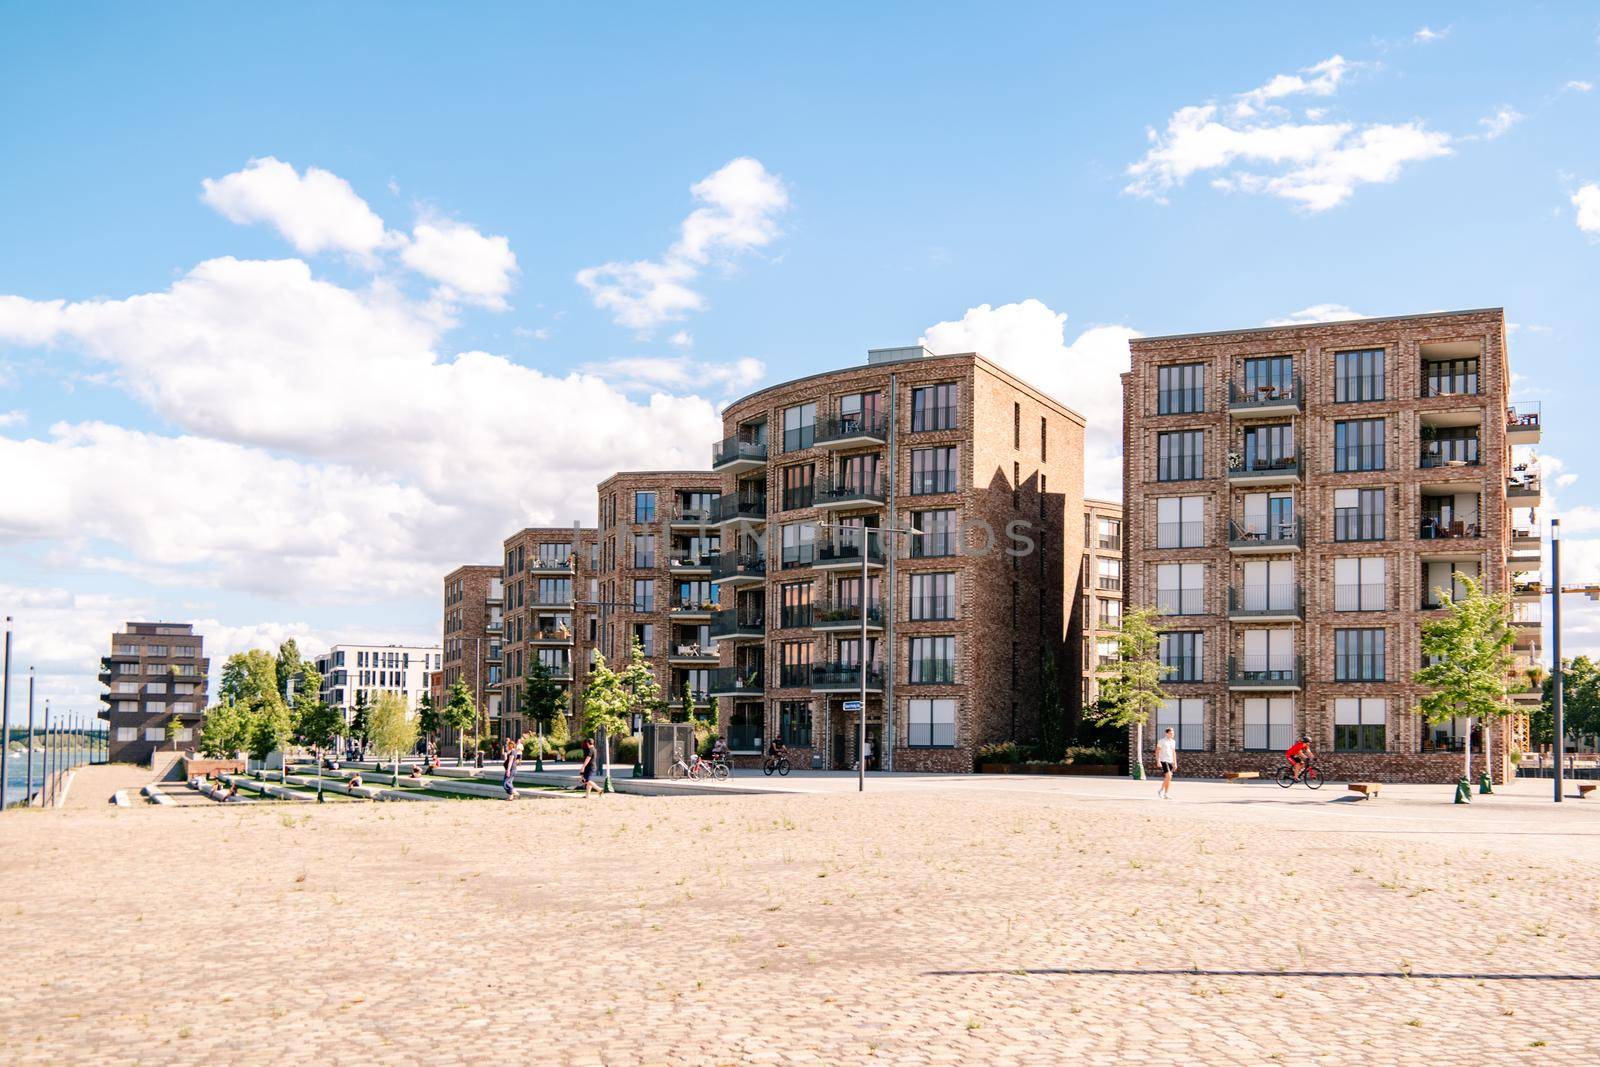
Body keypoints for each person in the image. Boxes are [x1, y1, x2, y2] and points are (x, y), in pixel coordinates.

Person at [1155, 727, 1177, 799]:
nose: (1172, 734)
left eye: (1173, 733)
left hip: (1170, 761)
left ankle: (1165, 793)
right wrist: (1158, 761)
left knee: (1168, 778)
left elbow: (1173, 752)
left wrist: (1175, 762)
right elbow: (1157, 751)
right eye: (1171, 733)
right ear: (1166, 733)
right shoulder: (1161, 741)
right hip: (1164, 760)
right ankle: (1161, 790)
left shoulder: (1173, 742)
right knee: (1169, 776)